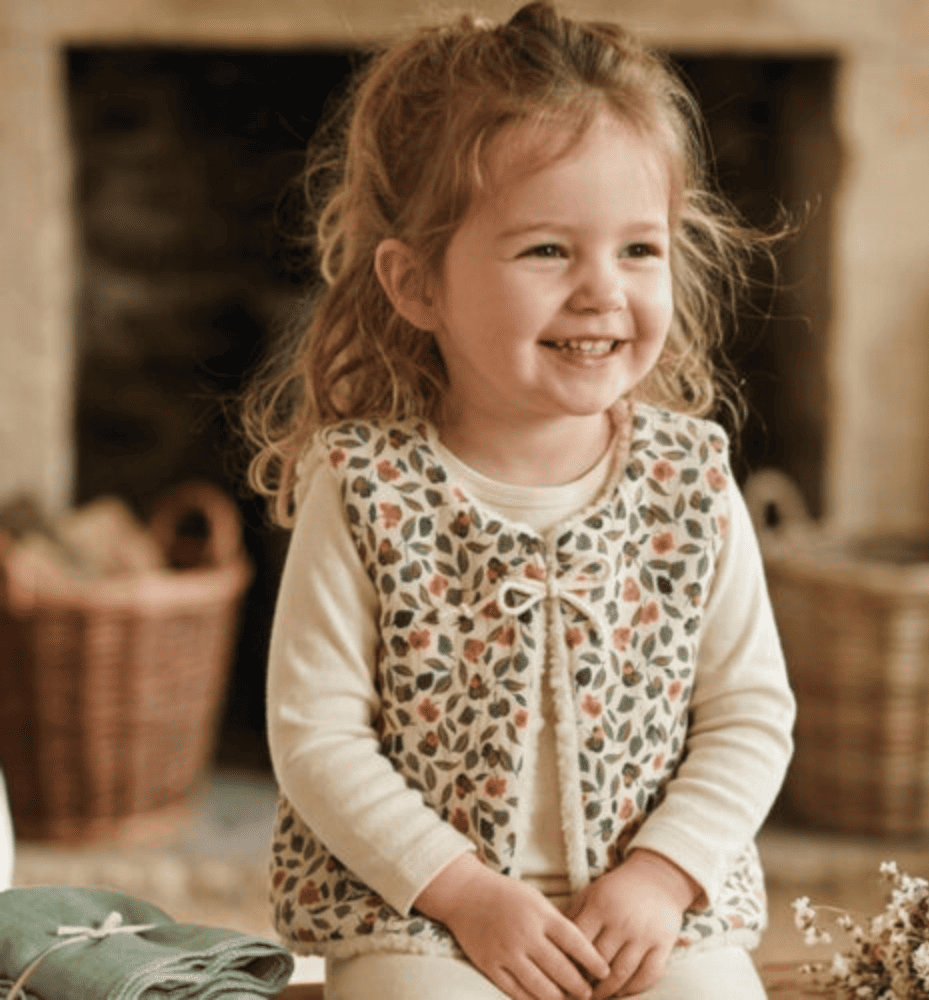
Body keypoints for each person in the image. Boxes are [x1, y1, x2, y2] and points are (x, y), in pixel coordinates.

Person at [243, 3, 795, 998]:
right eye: (547, 250)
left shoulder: (689, 479)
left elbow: (748, 714)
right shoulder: (367, 487)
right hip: (422, 915)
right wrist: (463, 893)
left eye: (638, 249)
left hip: (652, 913)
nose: (601, 290)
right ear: (417, 284)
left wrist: (663, 877)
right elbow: (317, 736)